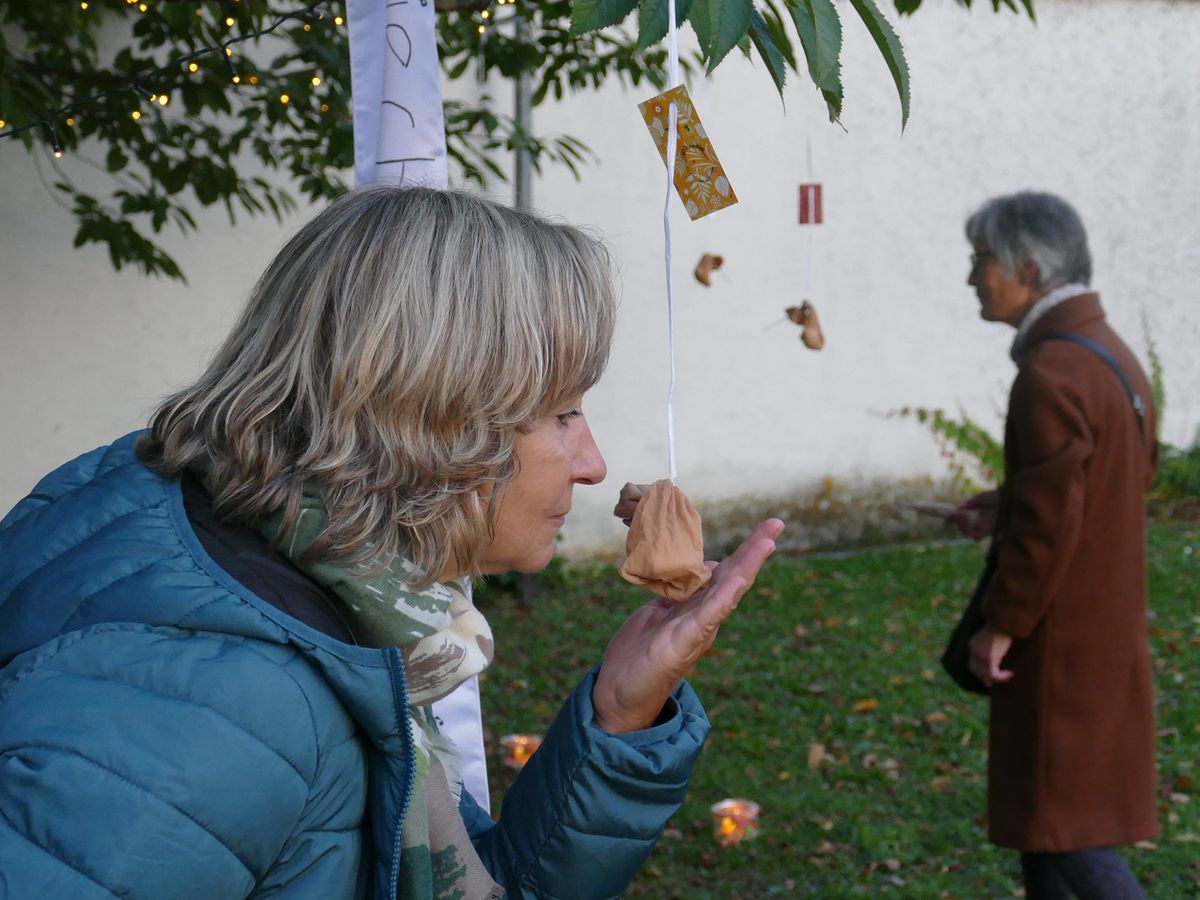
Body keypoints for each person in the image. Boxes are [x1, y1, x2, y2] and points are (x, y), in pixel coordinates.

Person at [0, 186, 784, 899]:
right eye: (563, 414)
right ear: (437, 418)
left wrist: (621, 714)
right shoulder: (220, 713)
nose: (594, 465)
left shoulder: (329, 603)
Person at [947, 192, 1158, 900]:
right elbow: (1106, 484)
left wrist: (1001, 625)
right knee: (1044, 820)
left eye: (982, 260)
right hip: (1100, 626)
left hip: (1057, 638)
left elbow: (1048, 526)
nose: (972, 277)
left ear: (1029, 271)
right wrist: (1005, 502)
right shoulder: (1110, 357)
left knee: (1066, 827)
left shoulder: (1051, 374)